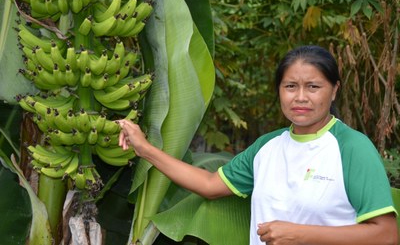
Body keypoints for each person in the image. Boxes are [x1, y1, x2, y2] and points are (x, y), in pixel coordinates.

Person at [117, 45, 399, 245]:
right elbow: (209, 184)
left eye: (313, 87)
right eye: (290, 86)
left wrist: (300, 235)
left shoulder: (352, 147)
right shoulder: (268, 146)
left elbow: (386, 235)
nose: (300, 97)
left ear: (334, 89)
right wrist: (145, 149)